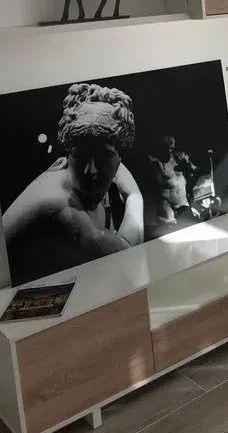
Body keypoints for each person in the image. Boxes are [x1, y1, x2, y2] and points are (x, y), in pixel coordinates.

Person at [3, 83, 144, 283]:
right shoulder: (58, 206)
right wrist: (134, 196)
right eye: (80, 156)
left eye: (103, 157)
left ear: (119, 158)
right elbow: (128, 260)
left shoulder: (86, 183)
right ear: (69, 154)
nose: (90, 170)